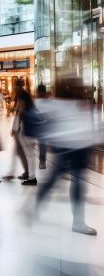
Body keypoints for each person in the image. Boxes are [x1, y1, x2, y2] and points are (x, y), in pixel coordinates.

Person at [35, 78, 99, 235]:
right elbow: (39, 115)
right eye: (76, 87)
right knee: (55, 181)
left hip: (79, 148)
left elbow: (90, 126)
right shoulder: (57, 103)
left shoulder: (81, 103)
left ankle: (78, 222)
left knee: (74, 184)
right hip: (66, 148)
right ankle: (36, 205)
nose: (80, 89)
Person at [11, 86, 38, 185]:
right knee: (31, 155)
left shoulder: (21, 102)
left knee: (29, 155)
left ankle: (32, 177)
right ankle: (31, 176)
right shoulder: (31, 103)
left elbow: (19, 116)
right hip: (31, 130)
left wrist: (14, 128)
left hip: (25, 131)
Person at [35, 83, 48, 169]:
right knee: (42, 144)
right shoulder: (37, 102)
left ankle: (42, 161)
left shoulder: (36, 102)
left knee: (42, 144)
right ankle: (42, 161)